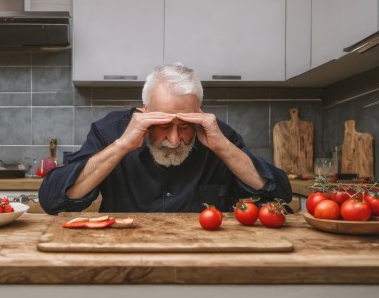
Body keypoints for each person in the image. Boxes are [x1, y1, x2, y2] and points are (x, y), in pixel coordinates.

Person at [38, 63, 292, 214]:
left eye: (185, 125)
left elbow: (280, 195)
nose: (174, 139)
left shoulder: (217, 134)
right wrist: (122, 146)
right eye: (161, 125)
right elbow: (53, 201)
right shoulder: (111, 132)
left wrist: (223, 148)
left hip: (203, 258)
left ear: (199, 113)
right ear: (144, 111)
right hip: (125, 254)